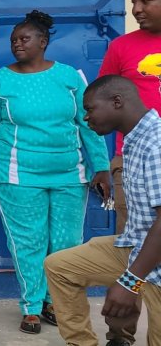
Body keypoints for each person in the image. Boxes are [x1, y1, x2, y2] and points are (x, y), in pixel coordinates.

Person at [0, 11, 111, 334]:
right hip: (17, 175)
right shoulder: (0, 80)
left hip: (69, 174)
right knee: (28, 242)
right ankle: (31, 305)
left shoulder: (69, 77)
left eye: (24, 39)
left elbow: (89, 124)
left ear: (43, 42)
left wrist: (101, 167)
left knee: (66, 243)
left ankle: (54, 301)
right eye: (13, 40)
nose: (17, 44)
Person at [45, 75, 161, 346]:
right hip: (136, 247)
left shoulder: (156, 144)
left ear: (117, 102)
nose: (86, 117)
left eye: (89, 109)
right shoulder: (135, 139)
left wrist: (130, 282)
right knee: (60, 267)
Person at [97, 0, 161, 346]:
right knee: (132, 246)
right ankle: (120, 335)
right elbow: (101, 100)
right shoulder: (122, 47)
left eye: (145, 1)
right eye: (134, 1)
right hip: (133, 160)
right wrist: (103, 162)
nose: (135, 9)